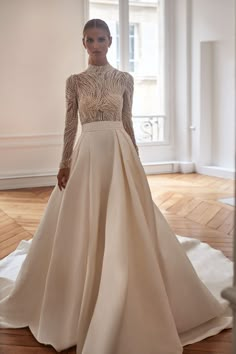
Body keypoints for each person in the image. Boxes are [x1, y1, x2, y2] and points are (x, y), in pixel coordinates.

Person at [0, 19, 233, 354]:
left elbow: (127, 121)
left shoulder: (124, 79)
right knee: (83, 218)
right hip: (88, 153)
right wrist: (64, 163)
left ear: (110, 42)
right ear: (83, 43)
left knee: (125, 218)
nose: (96, 44)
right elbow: (70, 124)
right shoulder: (74, 81)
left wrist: (135, 160)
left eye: (101, 39)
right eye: (90, 39)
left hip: (119, 151)